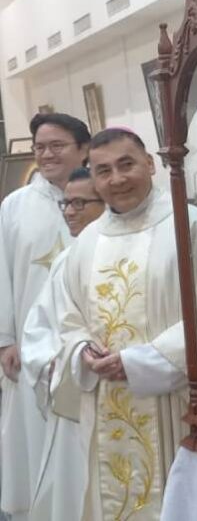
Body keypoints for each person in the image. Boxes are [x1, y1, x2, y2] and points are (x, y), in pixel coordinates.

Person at [51, 128, 197, 521]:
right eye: (103, 171)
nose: (117, 179)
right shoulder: (87, 242)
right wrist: (83, 351)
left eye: (126, 164)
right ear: (93, 179)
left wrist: (138, 363)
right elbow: (69, 318)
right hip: (107, 402)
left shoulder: (189, 226)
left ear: (149, 164)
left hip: (175, 404)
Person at [0, 113, 90, 521]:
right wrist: (5, 339)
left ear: (83, 149)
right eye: (40, 147)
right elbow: (2, 273)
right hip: (28, 349)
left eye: (57, 145)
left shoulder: (103, 200)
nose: (47, 154)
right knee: (32, 441)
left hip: (84, 351)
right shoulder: (15, 206)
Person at [19, 167, 104, 521]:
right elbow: (38, 327)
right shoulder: (65, 260)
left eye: (80, 203)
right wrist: (53, 362)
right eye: (66, 203)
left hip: (120, 386)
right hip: (73, 388)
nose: (69, 211)